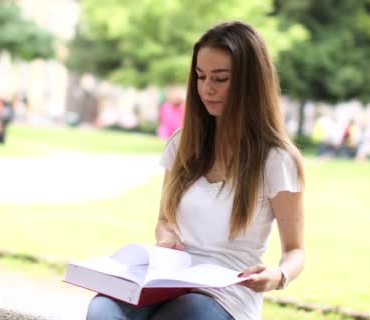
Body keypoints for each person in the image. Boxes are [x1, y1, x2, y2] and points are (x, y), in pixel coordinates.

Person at [86, 21, 305, 320]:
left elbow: (296, 251)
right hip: (170, 280)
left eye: (221, 78)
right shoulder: (183, 143)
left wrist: (278, 275)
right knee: (103, 308)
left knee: (183, 314)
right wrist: (166, 242)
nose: (207, 89)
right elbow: (165, 220)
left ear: (249, 83)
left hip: (228, 294)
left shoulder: (277, 159)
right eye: (200, 77)